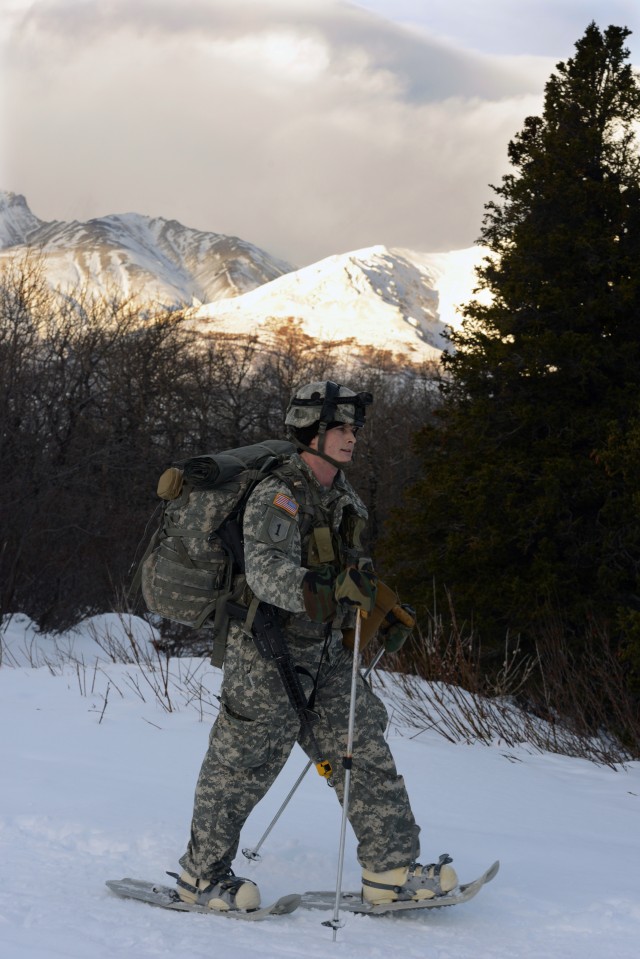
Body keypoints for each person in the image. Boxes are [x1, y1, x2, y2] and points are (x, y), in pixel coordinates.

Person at [174, 381, 457, 911]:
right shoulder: (278, 493)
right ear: (313, 433)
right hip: (266, 649)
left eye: (354, 429)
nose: (353, 438)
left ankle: (390, 870)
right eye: (342, 429)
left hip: (326, 653)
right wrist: (324, 590)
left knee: (364, 745)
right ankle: (202, 876)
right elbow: (265, 573)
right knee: (243, 764)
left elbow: (353, 572)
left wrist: (385, 608)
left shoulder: (343, 495)